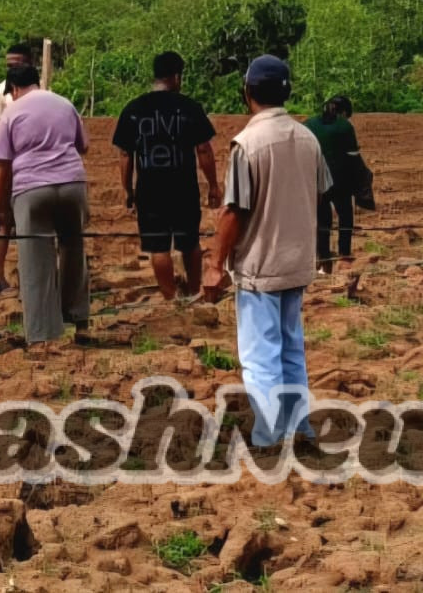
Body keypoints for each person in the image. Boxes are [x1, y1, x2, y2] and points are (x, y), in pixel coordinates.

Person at [204, 55, 330, 448]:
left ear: (248, 92)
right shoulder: (308, 138)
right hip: (297, 263)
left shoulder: (249, 143)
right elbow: (323, 195)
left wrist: (214, 265)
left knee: (260, 358)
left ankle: (270, 437)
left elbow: (233, 211)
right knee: (291, 347)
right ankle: (299, 428)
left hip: (261, 265)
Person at [0, 64, 91, 350]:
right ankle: (79, 318)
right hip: (72, 185)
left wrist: (0, 208)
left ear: (14, 89)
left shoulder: (11, 113)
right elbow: (84, 146)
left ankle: (42, 335)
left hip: (32, 190)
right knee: (74, 249)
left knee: (35, 261)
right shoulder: (64, 104)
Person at [112, 52, 220, 301]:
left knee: (157, 246)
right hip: (184, 186)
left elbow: (126, 155)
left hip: (150, 189)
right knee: (189, 242)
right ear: (176, 76)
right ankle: (194, 293)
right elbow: (203, 149)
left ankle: (170, 297)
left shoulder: (134, 109)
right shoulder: (189, 107)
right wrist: (213, 185)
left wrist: (128, 190)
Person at [0, 43, 34, 294]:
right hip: (10, 168)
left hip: (34, 167)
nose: (12, 69)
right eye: (9, 65)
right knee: (2, 221)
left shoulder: (41, 92)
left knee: (32, 222)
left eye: (17, 64)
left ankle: (30, 274)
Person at [304, 95, 361, 272]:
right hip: (340, 179)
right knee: (345, 214)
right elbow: (353, 156)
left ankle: (323, 259)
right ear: (343, 112)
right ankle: (344, 255)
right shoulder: (345, 126)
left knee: (322, 219)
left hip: (315, 179)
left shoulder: (308, 125)